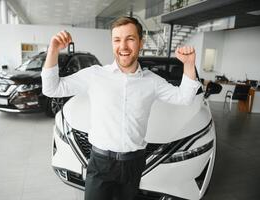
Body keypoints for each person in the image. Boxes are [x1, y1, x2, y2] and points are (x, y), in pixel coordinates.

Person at [41, 16, 200, 200]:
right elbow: (51, 88)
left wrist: (189, 65)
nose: (123, 46)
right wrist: (53, 50)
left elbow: (185, 98)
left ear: (141, 42)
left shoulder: (152, 81)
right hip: (100, 164)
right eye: (117, 40)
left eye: (130, 39)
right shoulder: (95, 75)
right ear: (112, 43)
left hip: (134, 163)